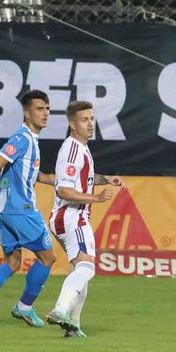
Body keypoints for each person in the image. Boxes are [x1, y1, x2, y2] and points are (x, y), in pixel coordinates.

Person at [0, 90, 60, 329]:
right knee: (48, 257)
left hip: (4, 212)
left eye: (48, 108)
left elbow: (27, 172)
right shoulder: (23, 138)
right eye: (40, 109)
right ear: (27, 113)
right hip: (21, 210)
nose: (46, 113)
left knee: (13, 262)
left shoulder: (29, 141)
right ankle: (25, 307)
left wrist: (51, 179)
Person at [45, 101, 122, 337]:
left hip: (70, 216)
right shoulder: (72, 149)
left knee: (80, 276)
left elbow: (84, 178)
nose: (90, 124)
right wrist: (96, 199)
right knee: (87, 267)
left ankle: (73, 327)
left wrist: (106, 179)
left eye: (92, 119)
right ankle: (60, 309)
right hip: (72, 215)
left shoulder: (80, 148)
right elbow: (63, 190)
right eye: (84, 120)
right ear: (72, 123)